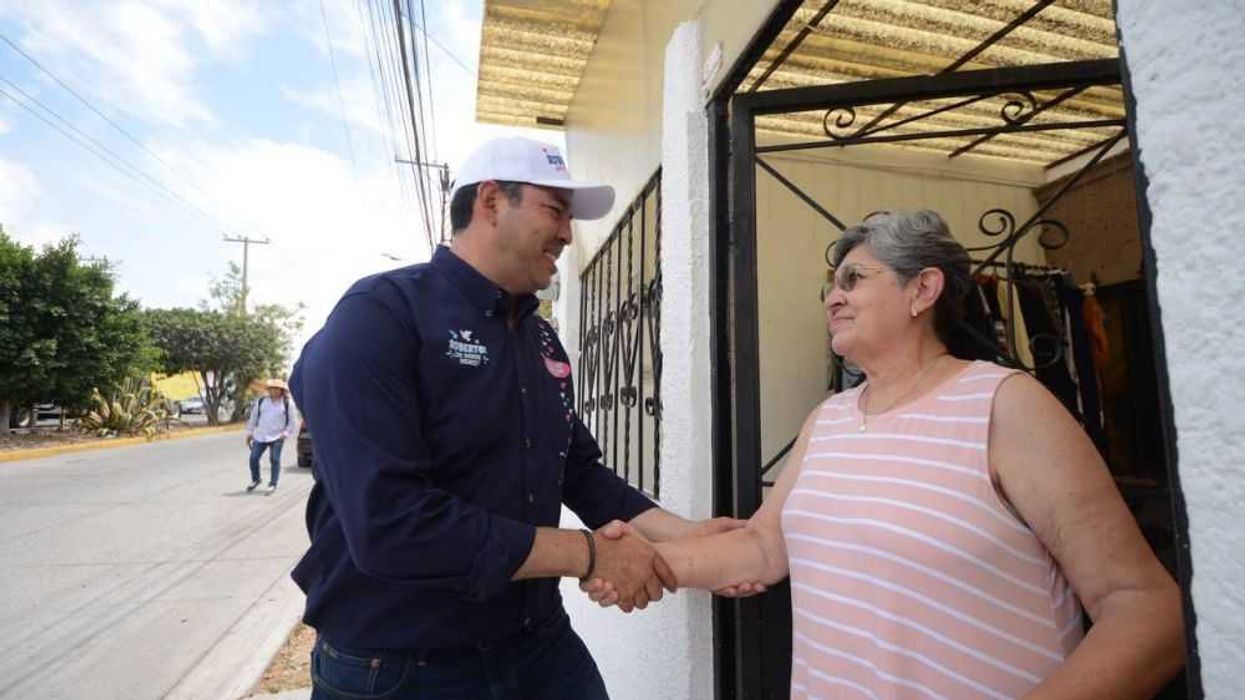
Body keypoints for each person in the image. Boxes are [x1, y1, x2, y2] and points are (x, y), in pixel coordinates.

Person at [587, 210, 1185, 699]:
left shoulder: (1004, 406)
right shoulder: (831, 419)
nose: (832, 300)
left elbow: (1145, 610)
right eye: (831, 286)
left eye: (854, 280)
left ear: (923, 288)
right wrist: (644, 560)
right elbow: (765, 546)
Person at [289, 136, 741, 700]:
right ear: (490, 202)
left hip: (536, 646)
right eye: (554, 210)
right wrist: (593, 554)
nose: (568, 234)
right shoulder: (381, 314)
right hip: (399, 665)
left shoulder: (540, 337)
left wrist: (689, 534)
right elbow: (390, 523)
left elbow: (576, 471)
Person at [245, 378, 295, 494]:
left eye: (277, 389)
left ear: (281, 390)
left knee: (274, 459)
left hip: (278, 437)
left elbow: (293, 422)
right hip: (261, 436)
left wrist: (285, 434)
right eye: (271, 388)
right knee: (253, 458)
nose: (274, 391)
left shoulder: (288, 403)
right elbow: (253, 418)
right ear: (268, 390)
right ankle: (256, 479)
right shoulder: (261, 401)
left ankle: (273, 484)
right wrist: (249, 432)